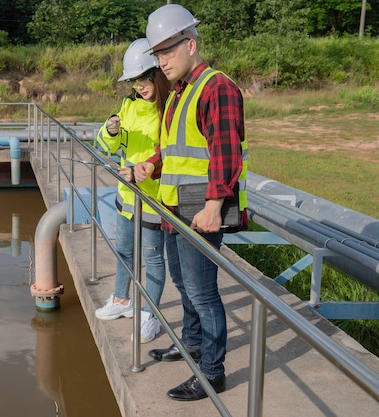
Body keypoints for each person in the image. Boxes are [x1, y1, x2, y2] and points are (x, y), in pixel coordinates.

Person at [133, 4, 248, 401]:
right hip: (174, 209)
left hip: (200, 211)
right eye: (158, 54)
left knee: (202, 293)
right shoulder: (181, 93)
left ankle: (212, 373)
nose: (162, 61)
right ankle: (191, 346)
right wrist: (152, 163)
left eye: (168, 51)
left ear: (191, 44)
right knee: (184, 286)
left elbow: (225, 152)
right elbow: (176, 150)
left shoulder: (217, 88)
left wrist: (215, 205)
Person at [94, 38, 172, 343]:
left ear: (158, 75)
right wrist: (111, 130)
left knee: (153, 258)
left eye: (144, 79)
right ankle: (122, 300)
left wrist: (143, 172)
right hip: (126, 194)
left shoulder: (169, 110)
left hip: (153, 197)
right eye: (134, 81)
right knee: (124, 250)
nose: (139, 86)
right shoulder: (128, 106)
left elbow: (169, 155)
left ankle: (150, 315)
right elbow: (106, 146)